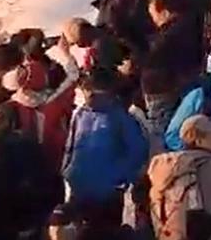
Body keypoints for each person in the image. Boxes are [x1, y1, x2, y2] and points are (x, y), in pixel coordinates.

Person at [61, 67, 149, 219]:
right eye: (86, 90)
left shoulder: (122, 119)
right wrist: (67, 171)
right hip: (78, 189)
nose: (89, 95)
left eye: (94, 92)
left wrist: (118, 178)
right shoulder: (80, 115)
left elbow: (137, 153)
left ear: (109, 93)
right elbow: (70, 146)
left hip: (107, 195)